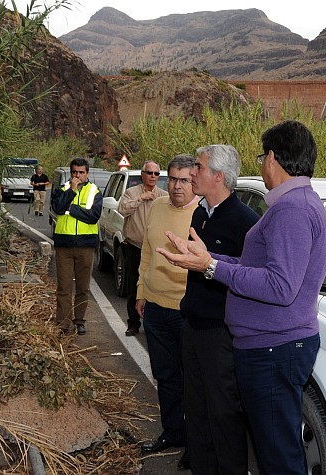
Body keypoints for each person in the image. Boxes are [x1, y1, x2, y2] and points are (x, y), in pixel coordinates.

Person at [159, 121, 326, 475]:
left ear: (272, 158)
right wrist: (211, 260)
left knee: (278, 455)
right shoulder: (295, 205)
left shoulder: (292, 210)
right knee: (274, 448)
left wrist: (211, 267)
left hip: (273, 349)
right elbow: (257, 266)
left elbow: (281, 286)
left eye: (262, 157)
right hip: (271, 346)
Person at [176, 145, 258, 474]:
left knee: (223, 412)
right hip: (193, 326)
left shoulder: (245, 223)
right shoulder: (200, 214)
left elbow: (250, 278)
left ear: (219, 177)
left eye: (198, 168)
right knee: (196, 409)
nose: (192, 173)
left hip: (221, 334)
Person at [135, 154, 200, 469]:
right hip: (155, 306)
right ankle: (173, 432)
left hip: (186, 312)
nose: (176, 186)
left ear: (195, 181)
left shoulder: (201, 215)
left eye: (184, 180)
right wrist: (140, 292)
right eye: (172, 179)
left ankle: (194, 442)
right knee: (165, 375)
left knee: (191, 381)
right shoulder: (158, 207)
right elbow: (147, 250)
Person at [51, 157, 103, 336]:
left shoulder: (95, 191)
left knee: (83, 287)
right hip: (64, 245)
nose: (77, 175)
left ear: (87, 173)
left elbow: (93, 216)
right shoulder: (62, 189)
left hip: (86, 245)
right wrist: (71, 192)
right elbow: (58, 208)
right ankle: (63, 323)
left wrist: (70, 209)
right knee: (64, 287)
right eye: (74, 172)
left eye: (81, 172)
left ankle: (79, 321)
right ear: (70, 173)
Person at [118, 160, 167, 336]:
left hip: (156, 250)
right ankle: (133, 324)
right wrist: (140, 199)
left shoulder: (163, 196)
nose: (153, 176)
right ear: (143, 174)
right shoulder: (132, 193)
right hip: (134, 247)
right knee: (133, 287)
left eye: (156, 174)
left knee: (155, 286)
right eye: (150, 173)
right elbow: (122, 209)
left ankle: (153, 323)